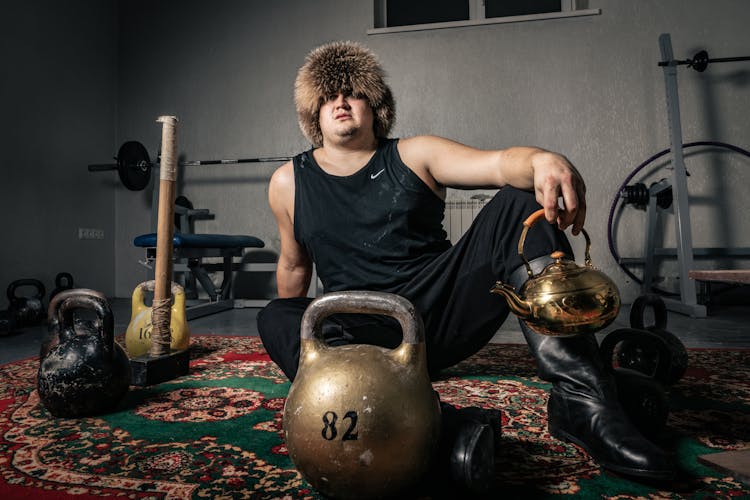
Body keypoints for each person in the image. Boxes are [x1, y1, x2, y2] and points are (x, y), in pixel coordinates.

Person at [257, 40, 675, 491]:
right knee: (276, 315)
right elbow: (294, 267)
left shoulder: (415, 154)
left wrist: (541, 161)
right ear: (312, 114)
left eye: (352, 92)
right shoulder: (287, 181)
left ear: (374, 106)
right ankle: (442, 425)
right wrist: (304, 351)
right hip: (356, 337)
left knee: (518, 203)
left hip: (437, 315)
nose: (339, 101)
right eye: (327, 95)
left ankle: (584, 402)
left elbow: (499, 164)